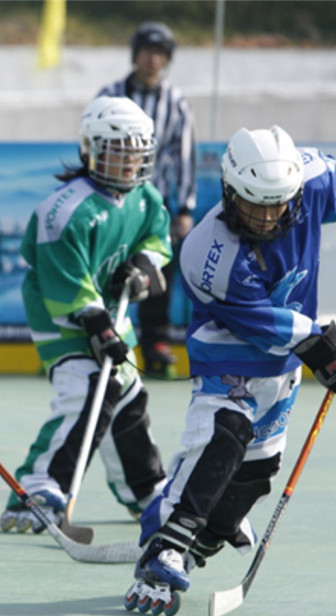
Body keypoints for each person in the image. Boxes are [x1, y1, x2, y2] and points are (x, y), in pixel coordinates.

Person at [124, 125, 336, 616]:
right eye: (252, 205)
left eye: (276, 205)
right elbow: (268, 324)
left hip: (283, 365)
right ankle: (164, 543)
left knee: (257, 475)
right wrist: (329, 358)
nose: (265, 218)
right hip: (230, 354)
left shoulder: (307, 178)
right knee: (226, 433)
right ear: (228, 190)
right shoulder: (209, 252)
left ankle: (203, 543)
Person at [0, 96, 172, 534]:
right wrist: (96, 324)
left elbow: (158, 238)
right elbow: (63, 280)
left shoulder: (145, 197)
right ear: (90, 150)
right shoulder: (65, 210)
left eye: (136, 151)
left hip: (114, 318)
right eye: (117, 149)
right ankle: (38, 487)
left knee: (128, 398)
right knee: (86, 392)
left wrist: (145, 266)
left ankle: (145, 489)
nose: (128, 160)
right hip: (62, 320)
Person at [96, 21, 197, 379]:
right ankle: (92, 333)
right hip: (109, 198)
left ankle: (155, 341)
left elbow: (184, 157)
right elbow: (92, 144)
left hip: (156, 205)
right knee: (103, 264)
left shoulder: (176, 103)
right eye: (147, 52)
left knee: (155, 268)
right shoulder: (109, 94)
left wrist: (183, 209)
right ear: (134, 54)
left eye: (160, 54)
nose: (153, 60)